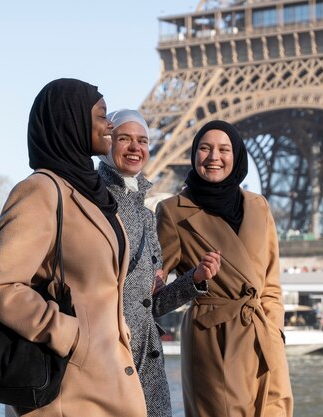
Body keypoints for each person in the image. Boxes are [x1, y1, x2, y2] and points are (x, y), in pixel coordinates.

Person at [0, 79, 146, 417]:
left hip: (106, 376)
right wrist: (70, 335)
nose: (109, 124)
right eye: (101, 115)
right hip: (67, 388)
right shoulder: (40, 191)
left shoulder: (92, 195)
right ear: (71, 121)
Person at [156, 120, 294, 417]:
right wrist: (194, 279)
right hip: (214, 339)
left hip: (263, 336)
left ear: (237, 155)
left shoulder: (258, 206)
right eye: (204, 148)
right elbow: (152, 294)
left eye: (223, 149)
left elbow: (270, 282)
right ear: (193, 155)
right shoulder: (173, 211)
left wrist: (275, 331)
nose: (213, 156)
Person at [97, 109, 219, 417]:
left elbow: (149, 305)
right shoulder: (90, 201)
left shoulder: (148, 216)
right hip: (105, 357)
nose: (135, 147)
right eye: (124, 139)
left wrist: (194, 280)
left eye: (143, 140)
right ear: (107, 143)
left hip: (146, 363)